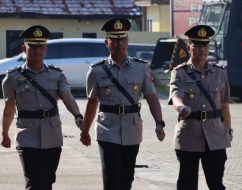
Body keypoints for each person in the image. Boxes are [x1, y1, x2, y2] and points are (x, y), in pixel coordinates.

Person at [79, 17, 166, 190]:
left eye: (122, 39)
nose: (119, 44)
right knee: (112, 177)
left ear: (127, 40)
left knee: (127, 178)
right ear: (107, 42)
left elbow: (151, 97)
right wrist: (85, 131)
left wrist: (159, 123)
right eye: (114, 39)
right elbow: (92, 103)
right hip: (107, 129)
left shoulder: (141, 68)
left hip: (132, 128)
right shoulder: (96, 71)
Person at [1, 25, 83, 190]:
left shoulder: (57, 75)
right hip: (26, 136)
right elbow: (9, 108)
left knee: (46, 182)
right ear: (24, 48)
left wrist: (78, 116)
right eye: (33, 46)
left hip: (52, 135)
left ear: (45, 49)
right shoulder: (12, 78)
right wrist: (4, 134)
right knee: (34, 182)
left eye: (41, 46)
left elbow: (67, 97)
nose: (37, 50)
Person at [168, 25, 232, 190]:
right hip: (190, 134)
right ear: (189, 47)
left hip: (215, 136)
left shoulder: (220, 73)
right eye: (197, 45)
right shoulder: (179, 72)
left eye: (204, 45)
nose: (201, 49)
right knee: (187, 184)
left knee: (216, 184)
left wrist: (229, 130)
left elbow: (224, 105)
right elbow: (175, 95)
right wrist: (180, 107)